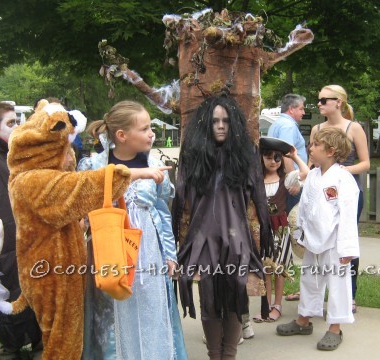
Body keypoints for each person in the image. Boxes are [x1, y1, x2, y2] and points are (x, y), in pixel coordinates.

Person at [78, 100, 188, 359]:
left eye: (151, 127)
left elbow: (161, 211)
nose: (152, 133)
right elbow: (84, 208)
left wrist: (170, 255)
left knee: (152, 309)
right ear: (122, 135)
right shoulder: (94, 166)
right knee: (115, 313)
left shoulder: (155, 164)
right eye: (145, 128)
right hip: (111, 253)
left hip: (149, 252)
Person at [172, 96, 273, 360]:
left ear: (234, 124)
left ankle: (228, 356)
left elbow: (258, 196)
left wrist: (263, 230)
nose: (220, 126)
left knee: (235, 296)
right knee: (209, 298)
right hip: (202, 239)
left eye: (225, 121)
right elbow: (181, 200)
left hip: (236, 238)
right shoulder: (193, 155)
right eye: (215, 121)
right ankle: (214, 355)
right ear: (206, 124)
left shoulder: (245, 154)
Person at [276, 127, 359, 351]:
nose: (310, 148)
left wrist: (347, 248)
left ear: (330, 151)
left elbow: (348, 215)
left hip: (335, 242)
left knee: (337, 283)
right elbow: (305, 207)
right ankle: (304, 319)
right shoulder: (313, 174)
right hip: (313, 238)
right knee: (310, 279)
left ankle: (335, 328)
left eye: (315, 145)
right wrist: (300, 232)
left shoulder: (343, 179)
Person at [0, 102, 42, 359]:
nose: (17, 127)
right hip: (5, 247)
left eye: (17, 121)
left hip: (28, 242)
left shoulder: (16, 157)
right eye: (11, 123)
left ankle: (37, 341)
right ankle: (12, 346)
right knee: (10, 293)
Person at [308, 85, 370, 313]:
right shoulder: (317, 129)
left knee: (345, 242)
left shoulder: (354, 128)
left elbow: (366, 163)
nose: (319, 104)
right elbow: (312, 161)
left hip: (347, 194)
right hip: (321, 195)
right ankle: (316, 294)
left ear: (339, 103)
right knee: (318, 242)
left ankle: (349, 295)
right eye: (319, 100)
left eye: (324, 100)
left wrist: (343, 171)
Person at [253, 138, 309, 323]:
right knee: (266, 268)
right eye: (268, 157)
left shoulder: (286, 179)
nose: (273, 162)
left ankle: (277, 305)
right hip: (262, 228)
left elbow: (305, 172)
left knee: (279, 268)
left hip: (280, 229)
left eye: (277, 158)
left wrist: (294, 156)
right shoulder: (256, 179)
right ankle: (265, 305)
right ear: (261, 158)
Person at [267, 94, 307, 213]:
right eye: (301, 108)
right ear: (291, 109)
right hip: (290, 183)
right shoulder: (288, 126)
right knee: (293, 220)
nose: (303, 112)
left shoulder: (278, 123)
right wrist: (293, 181)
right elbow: (287, 154)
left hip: (281, 178)